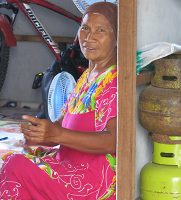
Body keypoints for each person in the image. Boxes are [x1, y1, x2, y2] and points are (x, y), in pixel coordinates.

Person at [0, 2, 117, 199]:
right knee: (11, 160)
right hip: (67, 163)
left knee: (15, 168)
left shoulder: (114, 82)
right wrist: (41, 134)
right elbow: (63, 123)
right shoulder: (88, 76)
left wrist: (57, 135)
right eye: (85, 28)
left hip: (92, 180)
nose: (89, 37)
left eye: (101, 30)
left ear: (117, 38)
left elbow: (114, 141)